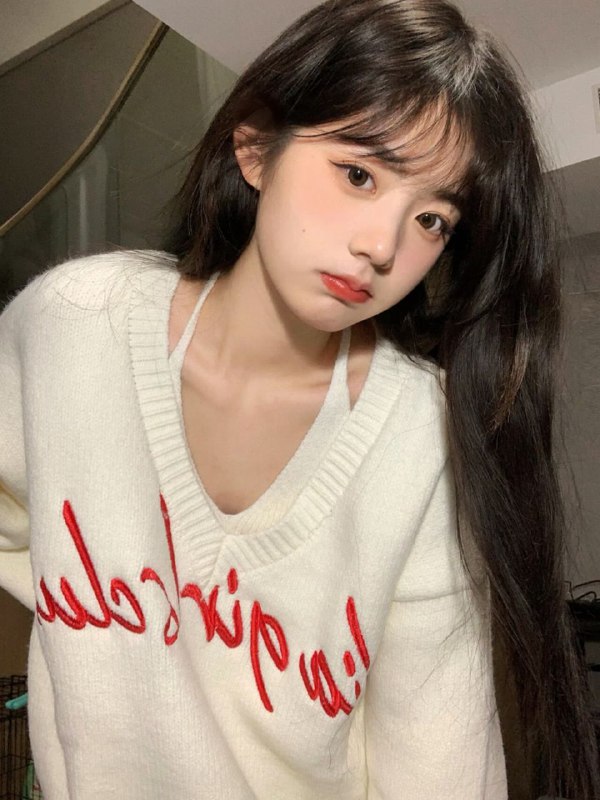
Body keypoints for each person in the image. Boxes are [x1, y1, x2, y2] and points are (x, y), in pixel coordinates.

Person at [0, 0, 597, 797]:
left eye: (431, 220)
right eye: (358, 174)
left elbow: (437, 749)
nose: (381, 246)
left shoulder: (420, 430)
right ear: (255, 147)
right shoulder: (73, 325)